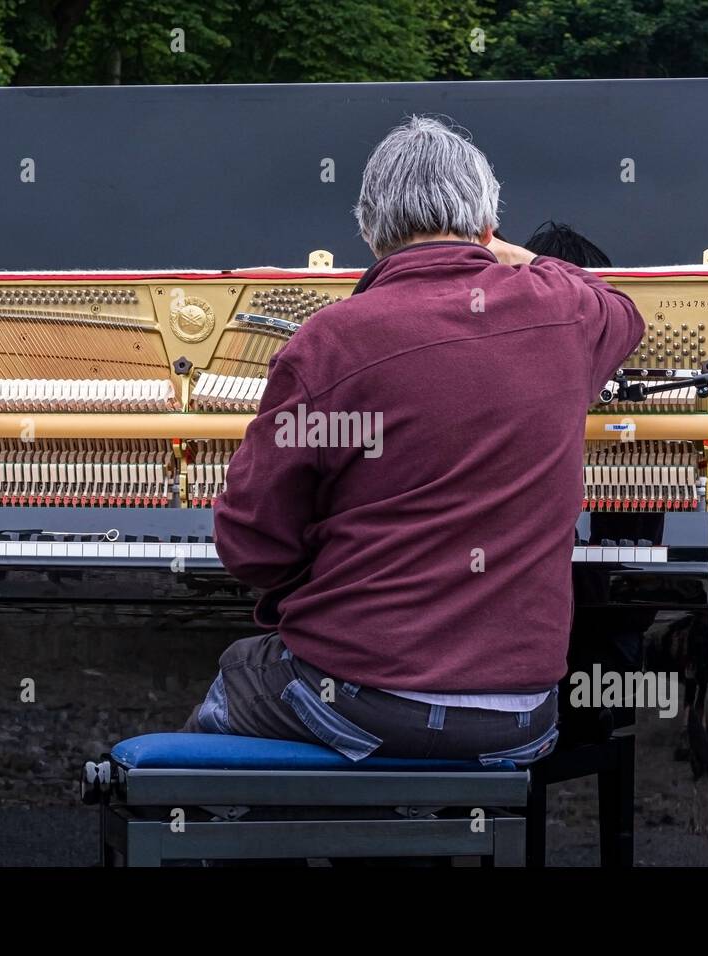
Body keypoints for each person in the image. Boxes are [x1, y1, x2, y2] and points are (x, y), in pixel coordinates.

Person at [182, 116, 645, 763]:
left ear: (370, 233)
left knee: (231, 695)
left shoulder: (329, 343)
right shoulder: (568, 317)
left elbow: (250, 550)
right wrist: (497, 249)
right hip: (522, 716)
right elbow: (622, 307)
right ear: (488, 228)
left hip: (360, 699)